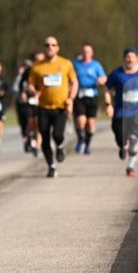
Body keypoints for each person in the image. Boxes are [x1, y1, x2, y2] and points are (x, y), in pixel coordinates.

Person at [27, 36, 78, 178]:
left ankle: (60, 147)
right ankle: (51, 166)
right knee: (44, 136)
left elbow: (74, 82)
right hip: (43, 107)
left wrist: (71, 98)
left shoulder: (66, 63)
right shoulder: (37, 66)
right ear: (44, 48)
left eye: (53, 45)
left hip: (60, 107)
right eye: (47, 45)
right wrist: (33, 91)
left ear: (57, 48)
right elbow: (30, 84)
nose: (50, 47)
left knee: (57, 135)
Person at [105, 47, 138, 176]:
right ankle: (122, 145)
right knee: (120, 138)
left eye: (132, 56)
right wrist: (108, 104)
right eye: (127, 56)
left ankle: (131, 166)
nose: (130, 59)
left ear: (137, 58)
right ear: (124, 58)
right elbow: (106, 88)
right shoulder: (117, 73)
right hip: (120, 112)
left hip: (136, 113)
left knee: (135, 141)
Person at [72, 43, 107, 155]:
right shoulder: (76, 64)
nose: (85, 53)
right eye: (84, 51)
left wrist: (101, 80)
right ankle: (80, 139)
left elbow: (104, 77)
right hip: (79, 95)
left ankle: (87, 145)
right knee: (80, 120)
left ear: (92, 53)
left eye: (88, 51)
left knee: (91, 124)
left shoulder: (96, 65)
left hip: (92, 95)